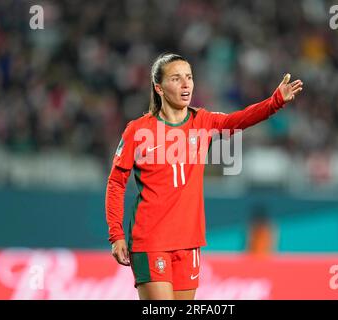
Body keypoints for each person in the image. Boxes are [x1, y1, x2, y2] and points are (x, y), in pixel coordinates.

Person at [105, 53, 303, 300]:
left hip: (189, 241)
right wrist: (116, 235)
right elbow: (116, 183)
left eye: (189, 77)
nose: (186, 84)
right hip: (150, 240)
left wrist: (275, 101)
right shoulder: (138, 130)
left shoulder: (202, 122)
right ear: (159, 87)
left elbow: (237, 120)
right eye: (176, 79)